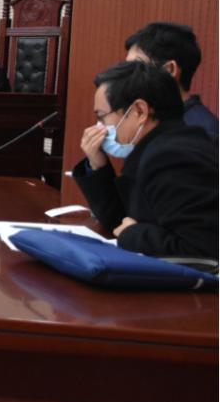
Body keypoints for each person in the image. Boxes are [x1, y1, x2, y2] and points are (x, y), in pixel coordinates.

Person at [73, 61, 217, 259]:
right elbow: (119, 220)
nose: (99, 127)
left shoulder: (172, 157)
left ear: (139, 111)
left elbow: (200, 249)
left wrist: (133, 234)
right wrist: (98, 164)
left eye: (102, 116)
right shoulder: (157, 148)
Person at [124, 22, 218, 138]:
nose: (126, 75)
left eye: (136, 66)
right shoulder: (152, 120)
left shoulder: (203, 132)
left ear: (169, 70)